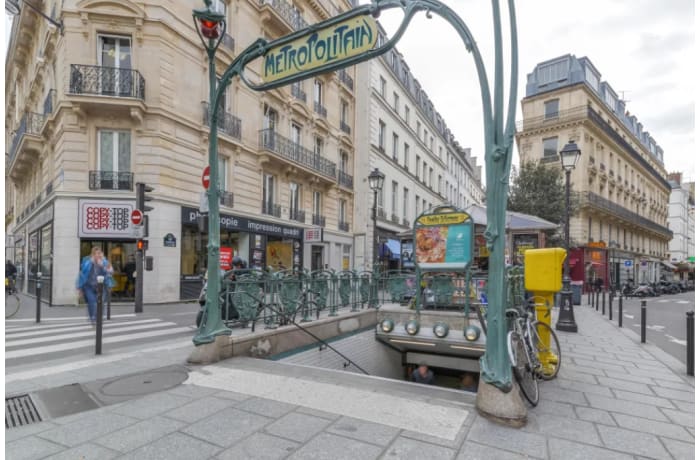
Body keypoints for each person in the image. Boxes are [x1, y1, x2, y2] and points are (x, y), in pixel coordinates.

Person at [76, 247, 111, 324]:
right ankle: (93, 317)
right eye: (96, 254)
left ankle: (99, 317)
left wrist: (102, 265)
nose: (98, 255)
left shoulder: (104, 261)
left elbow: (110, 271)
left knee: (101, 302)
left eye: (99, 253)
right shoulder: (87, 262)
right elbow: (82, 273)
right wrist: (79, 288)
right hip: (89, 286)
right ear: (92, 254)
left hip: (101, 286)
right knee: (92, 302)